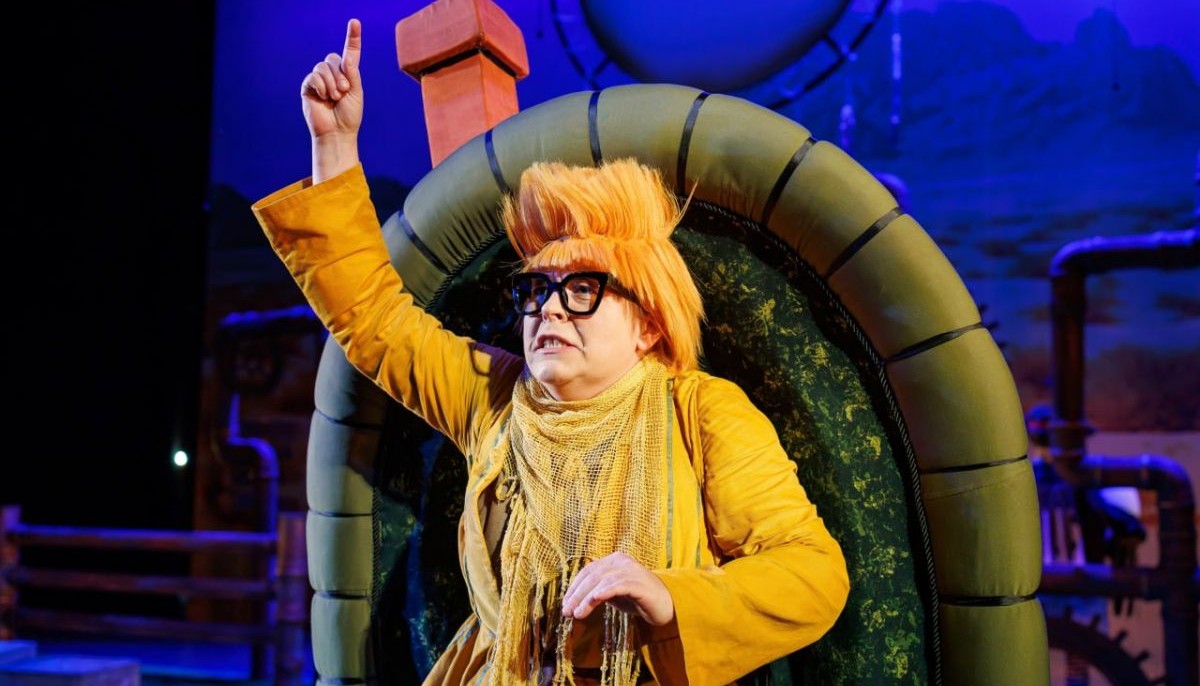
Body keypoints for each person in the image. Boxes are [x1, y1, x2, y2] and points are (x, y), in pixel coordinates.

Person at [252, 17, 849, 686]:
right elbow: (373, 321)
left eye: (584, 289)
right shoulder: (495, 398)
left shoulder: (702, 411)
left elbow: (811, 571)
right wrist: (333, 143)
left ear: (649, 324)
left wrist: (668, 598)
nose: (550, 309)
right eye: (537, 290)